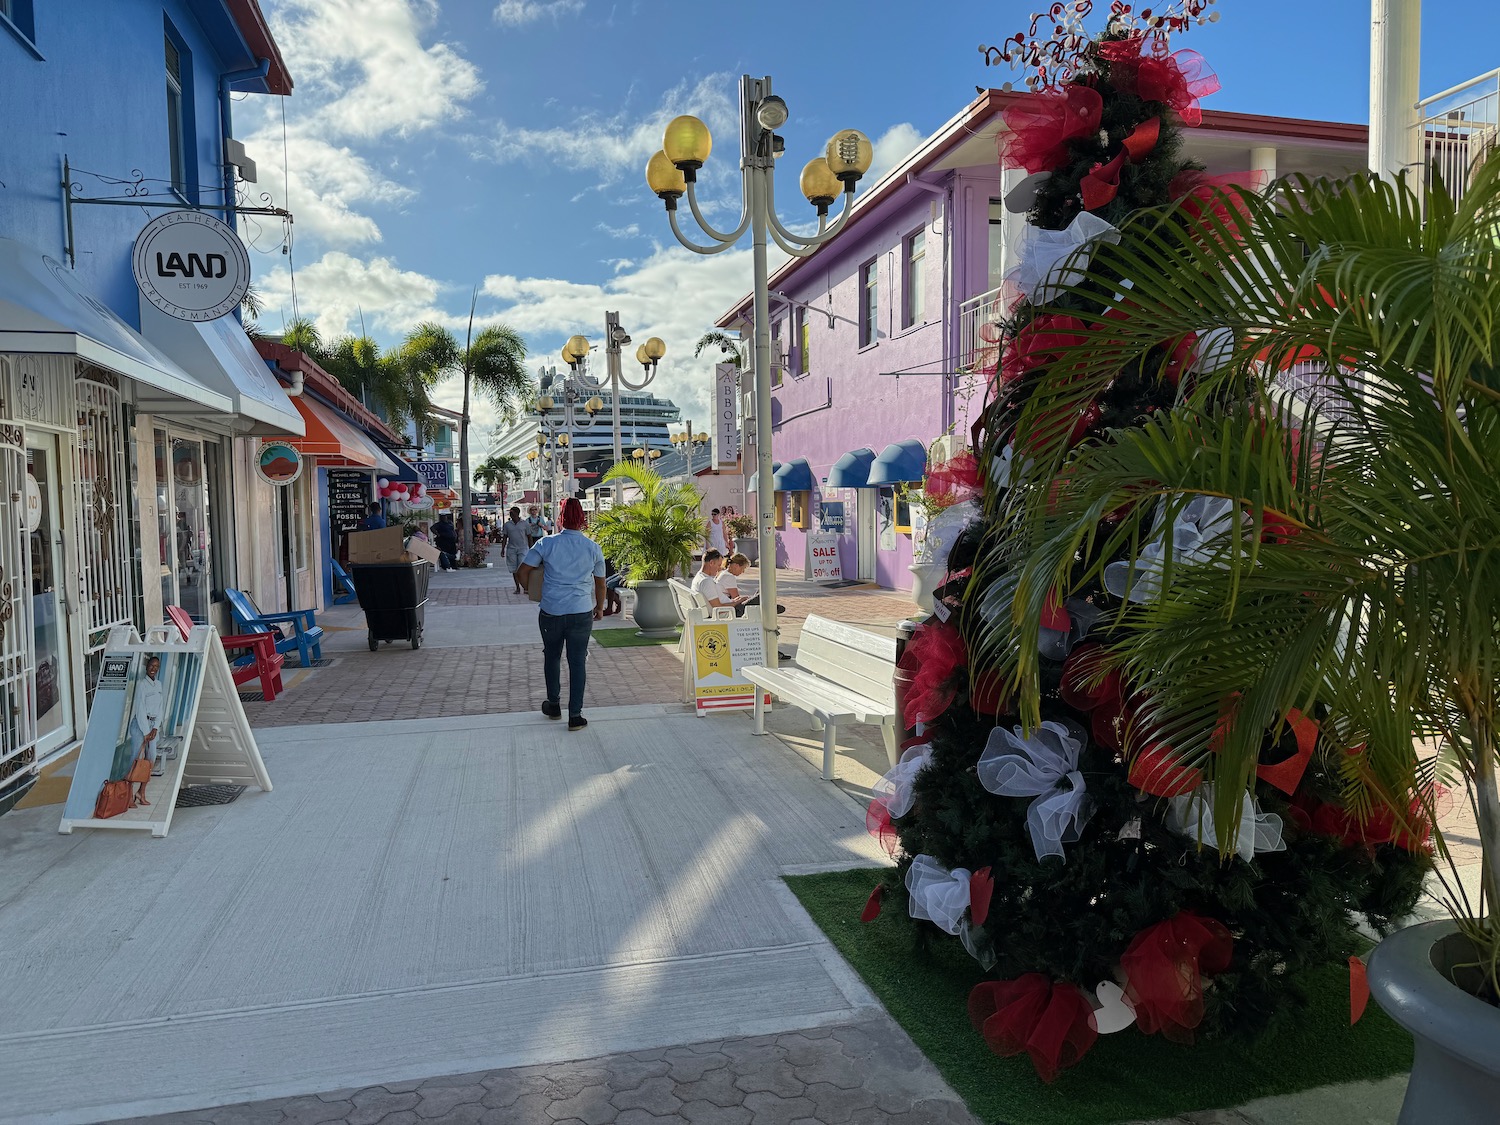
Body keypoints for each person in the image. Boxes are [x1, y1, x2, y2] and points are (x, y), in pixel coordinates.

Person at [515, 498, 605, 731]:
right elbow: (601, 583)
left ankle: (553, 705)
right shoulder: (593, 547)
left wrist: (530, 590)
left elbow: (522, 570)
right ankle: (575, 715)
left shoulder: (546, 544)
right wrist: (600, 607)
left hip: (551, 610)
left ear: (561, 517)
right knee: (577, 662)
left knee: (552, 656)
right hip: (581, 610)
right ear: (582, 519)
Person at [126, 655, 165, 808]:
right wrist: (146, 731)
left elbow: (160, 708)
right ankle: (128, 796)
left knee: (151, 759)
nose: (153, 669)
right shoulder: (142, 684)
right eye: (151, 666)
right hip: (140, 726)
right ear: (146, 667)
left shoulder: (159, 685)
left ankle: (141, 792)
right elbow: (140, 709)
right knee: (135, 760)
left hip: (152, 726)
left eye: (156, 666)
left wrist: (155, 727)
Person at [720, 552, 785, 616]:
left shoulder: (724, 574)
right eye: (743, 568)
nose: (743, 572)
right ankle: (769, 607)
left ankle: (768, 606)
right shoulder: (729, 577)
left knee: (760, 591)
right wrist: (745, 599)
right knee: (762, 595)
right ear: (736, 566)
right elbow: (736, 598)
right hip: (734, 609)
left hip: (731, 605)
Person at [500, 506, 530, 594]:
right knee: (514, 569)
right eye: (510, 513)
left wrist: (531, 548)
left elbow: (529, 536)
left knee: (522, 568)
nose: (511, 514)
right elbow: (505, 537)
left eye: (512, 513)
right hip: (511, 549)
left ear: (517, 513)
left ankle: (525, 587)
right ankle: (517, 587)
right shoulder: (507, 525)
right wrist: (502, 549)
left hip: (523, 548)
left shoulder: (524, 524)